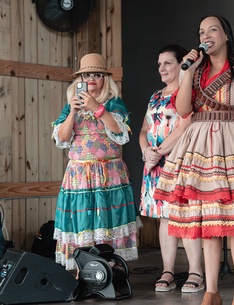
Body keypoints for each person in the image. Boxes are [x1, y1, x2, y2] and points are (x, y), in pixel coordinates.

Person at [153, 15, 234, 305]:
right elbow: (185, 109)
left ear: (226, 35)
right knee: (209, 225)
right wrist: (187, 71)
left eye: (212, 29)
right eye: (201, 30)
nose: (206, 34)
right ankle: (211, 291)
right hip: (201, 148)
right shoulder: (195, 70)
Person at [52, 53, 141, 270]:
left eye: (97, 74)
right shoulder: (71, 105)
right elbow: (61, 138)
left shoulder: (114, 102)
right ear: (79, 80)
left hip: (108, 173)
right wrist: (73, 111)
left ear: (105, 79)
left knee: (108, 221)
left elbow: (120, 131)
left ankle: (112, 268)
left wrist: (97, 108)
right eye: (87, 75)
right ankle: (84, 270)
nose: (92, 78)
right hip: (79, 175)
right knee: (83, 223)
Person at [139, 44, 204, 293]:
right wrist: (146, 150)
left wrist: (159, 151)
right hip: (154, 164)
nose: (161, 68)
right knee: (165, 218)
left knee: (184, 216)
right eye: (159, 64)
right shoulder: (156, 95)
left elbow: (186, 124)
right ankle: (168, 270)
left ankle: (196, 272)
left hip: (178, 161)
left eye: (167, 63)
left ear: (181, 65)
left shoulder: (189, 92)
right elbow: (144, 130)